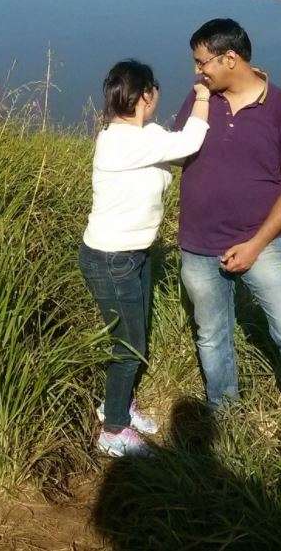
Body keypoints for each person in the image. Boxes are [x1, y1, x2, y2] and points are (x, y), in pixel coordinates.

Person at [171, 18, 281, 446]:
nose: (197, 71)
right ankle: (226, 418)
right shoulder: (199, 99)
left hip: (264, 244)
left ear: (230, 59)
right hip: (199, 244)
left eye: (203, 63)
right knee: (212, 335)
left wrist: (256, 244)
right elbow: (177, 151)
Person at [80, 59, 211, 457]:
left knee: (133, 336)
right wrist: (203, 94)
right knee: (129, 345)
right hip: (110, 258)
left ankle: (115, 403)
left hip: (134, 253)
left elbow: (173, 143)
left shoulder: (142, 134)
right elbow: (188, 142)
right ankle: (113, 430)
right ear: (145, 96)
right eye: (154, 90)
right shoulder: (122, 141)